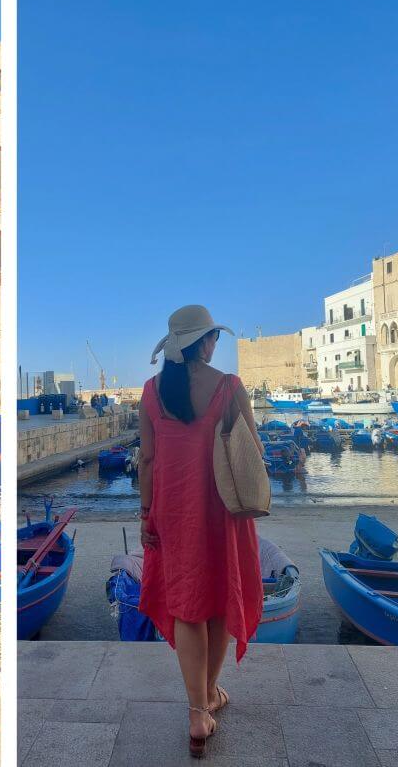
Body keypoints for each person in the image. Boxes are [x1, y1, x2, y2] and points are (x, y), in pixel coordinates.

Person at [137, 305, 262, 757]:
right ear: (204, 343)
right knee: (221, 597)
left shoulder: (152, 392)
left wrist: (146, 515)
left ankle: (198, 710)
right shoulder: (229, 387)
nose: (215, 344)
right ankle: (208, 694)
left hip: (172, 511)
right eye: (214, 337)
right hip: (224, 510)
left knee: (188, 605)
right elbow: (252, 450)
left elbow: (147, 460)